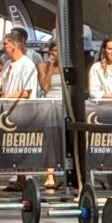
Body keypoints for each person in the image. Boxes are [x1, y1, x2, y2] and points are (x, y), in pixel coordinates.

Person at [37, 43, 64, 190]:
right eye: (54, 50)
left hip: (64, 105)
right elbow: (45, 87)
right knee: (50, 140)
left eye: (59, 50)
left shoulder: (66, 66)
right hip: (50, 105)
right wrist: (49, 68)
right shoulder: (42, 66)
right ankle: (50, 174)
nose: (56, 53)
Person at [0, 31, 38, 99]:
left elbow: (26, 93)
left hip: (22, 105)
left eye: (5, 44)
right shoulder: (8, 63)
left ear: (14, 45)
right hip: (7, 104)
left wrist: (8, 96)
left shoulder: (27, 64)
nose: (2, 47)